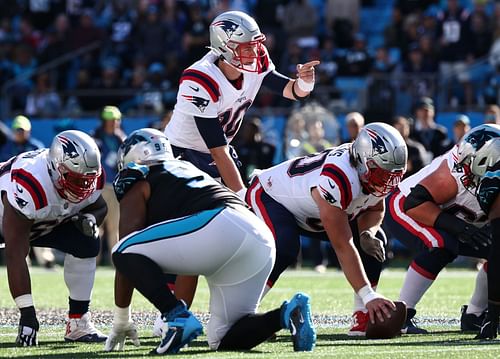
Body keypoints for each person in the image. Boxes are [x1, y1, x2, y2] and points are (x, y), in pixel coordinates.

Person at [104, 129, 316, 354]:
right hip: (257, 234)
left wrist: (121, 319)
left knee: (122, 250)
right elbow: (187, 260)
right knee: (222, 337)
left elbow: (126, 248)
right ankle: (287, 314)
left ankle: (176, 318)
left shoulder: (141, 176)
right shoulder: (186, 170)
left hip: (220, 224)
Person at [244, 122, 407, 335]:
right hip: (271, 195)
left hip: (313, 213)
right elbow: (343, 245)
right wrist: (369, 294)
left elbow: (375, 209)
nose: (387, 182)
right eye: (381, 174)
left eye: (392, 175)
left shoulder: (376, 174)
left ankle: (363, 317)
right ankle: (243, 314)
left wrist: (368, 232)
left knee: (374, 241)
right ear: (362, 160)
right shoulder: (338, 177)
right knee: (285, 246)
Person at [165, 10, 319, 197]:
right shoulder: (200, 79)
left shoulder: (255, 58)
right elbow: (218, 151)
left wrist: (305, 82)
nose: (255, 52)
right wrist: (242, 196)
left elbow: (293, 91)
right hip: (183, 154)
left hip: (216, 155)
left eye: (255, 45)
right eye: (247, 47)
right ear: (225, 47)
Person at [383, 124, 500, 334]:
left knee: (497, 250)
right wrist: (460, 228)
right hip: (407, 206)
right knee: (440, 245)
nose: (463, 162)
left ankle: (474, 315)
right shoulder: (452, 173)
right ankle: (402, 314)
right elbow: (414, 203)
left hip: (456, 218)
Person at [0, 130, 108, 346]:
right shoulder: (30, 182)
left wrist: (89, 219)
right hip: (9, 219)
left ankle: (78, 323)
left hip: (44, 221)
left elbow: (100, 207)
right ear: (56, 169)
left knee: (86, 241)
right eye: (75, 180)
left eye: (87, 181)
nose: (83, 188)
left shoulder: (90, 176)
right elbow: (15, 254)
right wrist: (28, 315)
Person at [91, 105, 126, 264]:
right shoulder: (94, 138)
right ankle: (93, 259)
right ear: (103, 121)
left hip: (114, 188)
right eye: (110, 120)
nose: (114, 123)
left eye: (116, 120)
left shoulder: (122, 140)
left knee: (115, 227)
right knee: (96, 227)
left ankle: (115, 261)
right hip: (98, 187)